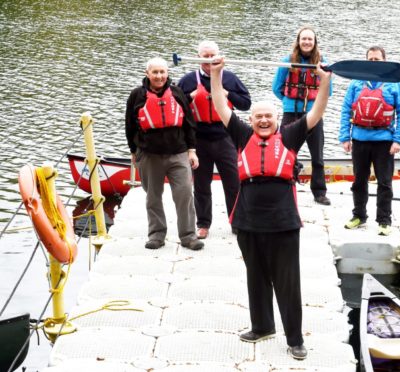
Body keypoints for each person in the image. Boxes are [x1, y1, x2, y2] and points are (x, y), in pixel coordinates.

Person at [210, 56, 331, 360]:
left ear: (277, 119)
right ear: (250, 120)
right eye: (257, 116)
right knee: (256, 276)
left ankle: (295, 338)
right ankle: (262, 325)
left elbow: (316, 112)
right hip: (248, 220)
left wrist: (325, 81)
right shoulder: (241, 135)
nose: (263, 120)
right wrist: (216, 74)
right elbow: (220, 107)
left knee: (288, 281)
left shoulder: (289, 136)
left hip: (283, 222)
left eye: (268, 116)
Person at [125, 57, 204, 251]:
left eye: (162, 72)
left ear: (167, 73)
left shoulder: (177, 93)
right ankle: (156, 234)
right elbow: (129, 125)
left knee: (184, 193)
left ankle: (188, 235)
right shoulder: (137, 95)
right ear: (147, 74)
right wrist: (133, 152)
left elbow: (189, 124)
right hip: (149, 155)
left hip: (178, 153)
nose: (159, 76)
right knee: (153, 196)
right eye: (155, 72)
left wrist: (192, 151)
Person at [178, 40, 251, 239]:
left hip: (225, 137)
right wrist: (189, 97)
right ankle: (203, 224)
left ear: (219, 56)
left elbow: (246, 103)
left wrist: (227, 93)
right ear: (198, 57)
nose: (209, 60)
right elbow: (174, 107)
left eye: (213, 56)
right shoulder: (187, 80)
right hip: (199, 138)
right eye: (205, 56)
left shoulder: (229, 78)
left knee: (233, 182)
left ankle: (237, 221)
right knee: (201, 184)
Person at [338, 46, 400, 236]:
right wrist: (345, 137)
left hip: (384, 141)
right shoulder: (356, 84)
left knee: (385, 183)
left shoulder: (394, 84)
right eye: (370, 59)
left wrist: (398, 140)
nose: (373, 63)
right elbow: (346, 110)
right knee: (359, 181)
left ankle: (384, 220)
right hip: (359, 139)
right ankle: (359, 215)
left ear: (384, 61)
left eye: (377, 60)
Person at [272, 26, 332, 206]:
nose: (306, 42)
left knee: (317, 155)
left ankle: (319, 192)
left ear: (314, 43)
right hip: (291, 112)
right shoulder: (287, 61)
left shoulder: (322, 63)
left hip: (313, 114)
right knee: (286, 151)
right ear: (298, 41)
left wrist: (315, 106)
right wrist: (289, 101)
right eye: (303, 39)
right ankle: (285, 186)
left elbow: (327, 91)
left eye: (310, 39)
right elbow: (277, 88)